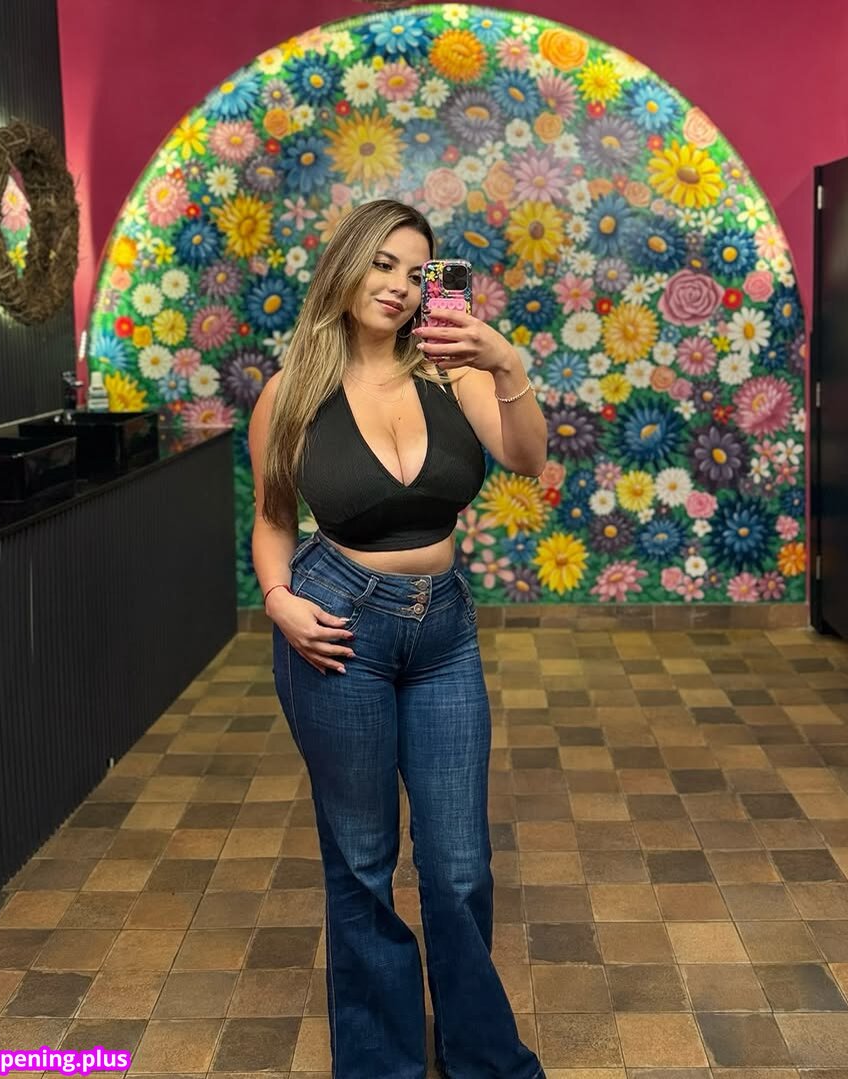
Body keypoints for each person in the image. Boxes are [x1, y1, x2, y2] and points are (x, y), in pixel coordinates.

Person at [248, 199, 548, 1079]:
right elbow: (273, 519)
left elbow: (527, 458)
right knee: (362, 861)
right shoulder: (292, 394)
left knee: (459, 867)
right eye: (382, 264)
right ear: (347, 266)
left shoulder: (452, 373)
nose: (399, 286)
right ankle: (381, 1064)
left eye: (417, 273)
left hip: (444, 630)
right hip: (338, 628)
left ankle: (481, 1059)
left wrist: (505, 361)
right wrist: (278, 600)